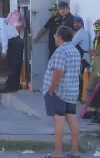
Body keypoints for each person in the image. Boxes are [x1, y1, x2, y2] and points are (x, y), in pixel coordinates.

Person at [42, 26, 81, 158]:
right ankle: (75, 152)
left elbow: (58, 71)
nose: (54, 38)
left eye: (55, 35)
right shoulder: (75, 50)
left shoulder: (61, 51)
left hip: (58, 92)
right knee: (72, 121)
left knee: (58, 122)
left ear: (60, 37)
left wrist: (51, 89)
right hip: (72, 91)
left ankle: (57, 154)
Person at [82, 18, 100, 123]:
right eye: (95, 31)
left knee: (97, 92)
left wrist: (96, 53)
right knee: (91, 89)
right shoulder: (96, 40)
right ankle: (92, 111)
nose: (96, 33)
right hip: (96, 69)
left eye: (98, 31)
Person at [71, 17, 91, 102]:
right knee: (79, 77)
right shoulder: (80, 32)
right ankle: (79, 97)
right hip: (83, 57)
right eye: (74, 23)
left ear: (82, 23)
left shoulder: (81, 33)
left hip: (83, 58)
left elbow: (72, 43)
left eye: (77, 23)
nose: (75, 24)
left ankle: (79, 97)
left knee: (78, 77)